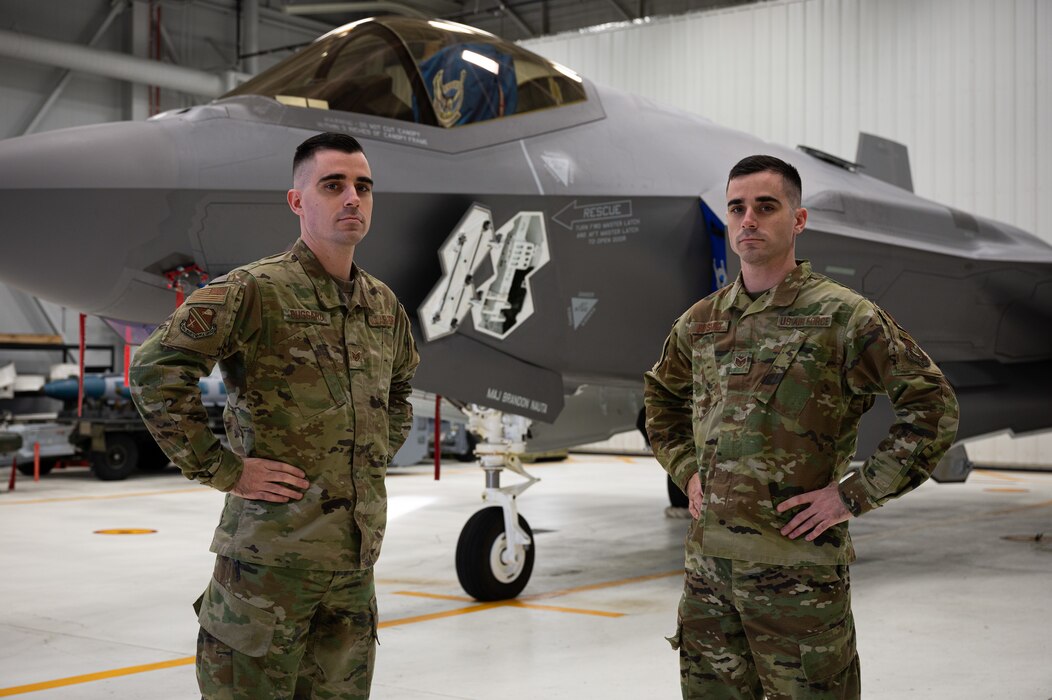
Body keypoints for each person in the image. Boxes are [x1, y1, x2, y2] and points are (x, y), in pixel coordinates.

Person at [643, 154, 959, 699]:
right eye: (737, 207)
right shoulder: (701, 322)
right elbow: (662, 399)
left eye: (766, 207)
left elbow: (932, 407)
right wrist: (687, 472)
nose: (749, 220)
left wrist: (852, 496)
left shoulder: (843, 317)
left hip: (798, 579)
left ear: (799, 219)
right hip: (708, 576)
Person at [130, 132, 419, 699]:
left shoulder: (382, 306)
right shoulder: (255, 290)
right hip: (268, 571)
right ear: (297, 201)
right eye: (333, 185)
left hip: (353, 571)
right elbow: (154, 371)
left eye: (363, 186)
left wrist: (376, 451)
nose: (352, 199)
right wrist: (226, 470)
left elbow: (401, 386)